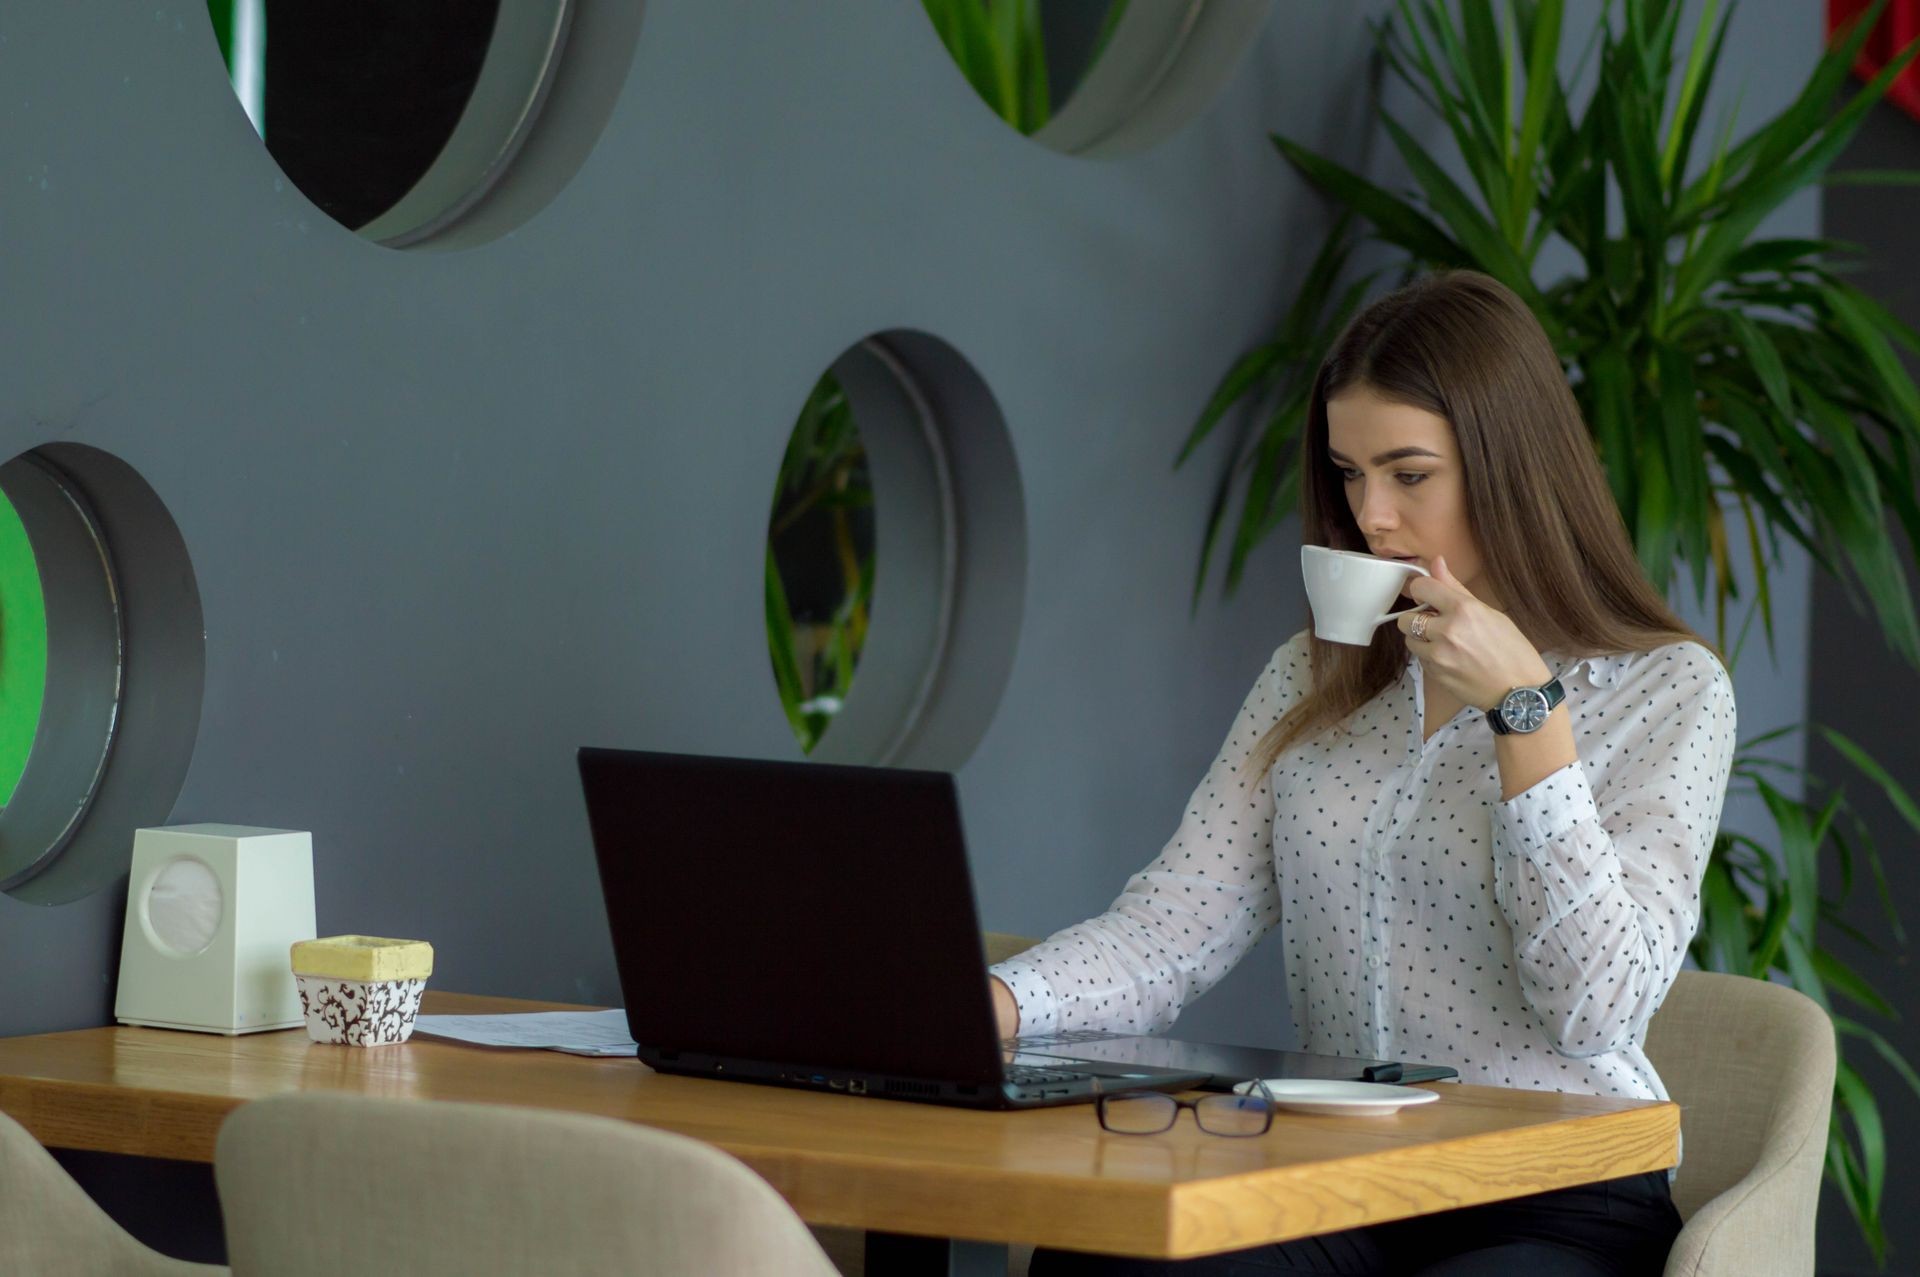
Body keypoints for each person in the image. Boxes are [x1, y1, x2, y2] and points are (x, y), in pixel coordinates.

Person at [995, 270, 1736, 1276]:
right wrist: (995, 1005)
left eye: (1410, 473)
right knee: (1107, 1258)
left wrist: (1526, 713)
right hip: (1338, 1178)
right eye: (1349, 473)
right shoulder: (1312, 676)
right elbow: (1172, 928)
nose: (1370, 516)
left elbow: (1595, 1006)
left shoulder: (1667, 689)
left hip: (1556, 1198)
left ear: (1511, 467)